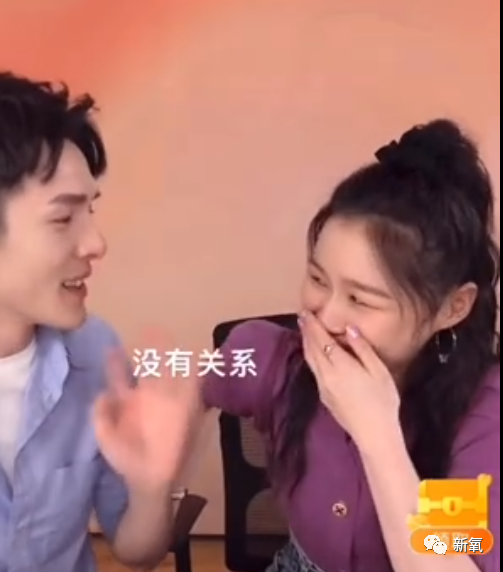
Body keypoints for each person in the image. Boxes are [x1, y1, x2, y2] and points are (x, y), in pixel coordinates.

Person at [0, 72, 202, 572]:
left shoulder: (96, 352)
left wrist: (153, 483)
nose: (96, 243)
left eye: (90, 212)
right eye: (62, 219)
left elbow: (137, 551)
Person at [202, 120, 500, 572]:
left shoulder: (477, 417)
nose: (326, 316)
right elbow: (187, 391)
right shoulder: (272, 359)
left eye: (361, 300)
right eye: (318, 279)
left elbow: (447, 556)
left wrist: (377, 434)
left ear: (451, 308)